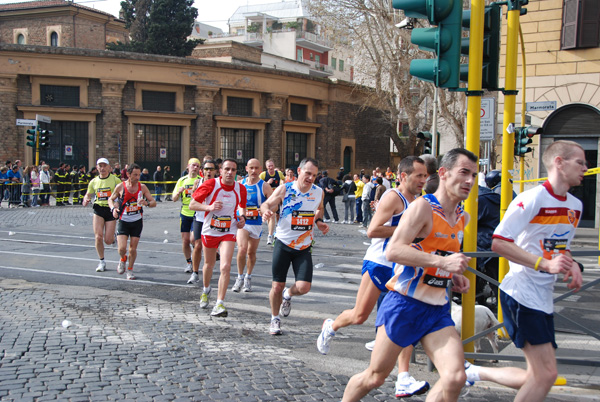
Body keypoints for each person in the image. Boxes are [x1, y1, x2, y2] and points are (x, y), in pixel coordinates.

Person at [341, 148, 477, 402]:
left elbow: (438, 255)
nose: (470, 180)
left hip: (436, 309)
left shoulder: (462, 217)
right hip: (404, 304)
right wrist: (441, 263)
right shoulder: (423, 208)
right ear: (445, 174)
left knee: (455, 377)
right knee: (375, 377)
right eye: (464, 173)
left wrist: (452, 275)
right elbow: (393, 251)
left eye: (474, 175)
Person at [464, 141, 585, 402]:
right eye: (580, 162)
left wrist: (572, 264)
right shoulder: (530, 199)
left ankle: (475, 371)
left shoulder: (575, 206)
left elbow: (560, 247)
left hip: (543, 297)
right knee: (545, 374)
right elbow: (499, 242)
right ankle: (475, 371)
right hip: (520, 294)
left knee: (539, 375)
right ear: (559, 163)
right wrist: (544, 264)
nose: (585, 168)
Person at [318, 157, 430, 398]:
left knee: (403, 319)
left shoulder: (420, 202)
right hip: (379, 262)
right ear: (402, 176)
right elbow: (373, 230)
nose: (423, 180)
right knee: (360, 315)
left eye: (425, 176)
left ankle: (403, 377)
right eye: (419, 175)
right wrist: (408, 231)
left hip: (402, 266)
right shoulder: (393, 197)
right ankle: (332, 325)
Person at [260, 157, 330, 335]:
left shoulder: (318, 191)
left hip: (304, 246)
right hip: (283, 243)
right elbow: (267, 203)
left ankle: (288, 294)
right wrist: (266, 211)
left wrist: (319, 221)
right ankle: (275, 319)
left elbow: (319, 208)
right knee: (276, 285)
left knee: (304, 287)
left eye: (314, 175)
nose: (310, 178)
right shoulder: (286, 188)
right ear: (299, 171)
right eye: (307, 173)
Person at [190, 159, 247, 317]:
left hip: (229, 230)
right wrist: (209, 207)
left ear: (236, 172)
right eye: (227, 169)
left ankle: (219, 303)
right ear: (220, 171)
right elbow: (192, 204)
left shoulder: (240, 188)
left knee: (225, 267)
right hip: (210, 230)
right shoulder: (210, 185)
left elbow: (242, 205)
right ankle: (206, 289)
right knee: (208, 264)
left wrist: (242, 217)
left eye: (233, 170)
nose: (230, 172)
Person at [108, 163, 157, 280]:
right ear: (128, 174)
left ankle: (130, 270)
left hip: (137, 221)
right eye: (135, 175)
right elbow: (111, 199)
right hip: (123, 221)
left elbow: (153, 202)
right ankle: (123, 259)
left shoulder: (143, 187)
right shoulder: (121, 187)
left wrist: (147, 203)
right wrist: (113, 209)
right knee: (121, 248)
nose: (137, 177)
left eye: (139, 175)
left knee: (133, 248)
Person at [232, 158, 273, 293]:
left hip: (256, 223)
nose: (254, 171)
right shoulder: (239, 184)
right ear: (247, 169)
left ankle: (248, 277)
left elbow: (274, 203)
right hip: (243, 223)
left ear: (260, 169)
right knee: (242, 249)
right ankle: (239, 277)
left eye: (256, 168)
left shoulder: (265, 186)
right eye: (251, 168)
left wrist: (267, 210)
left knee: (251, 252)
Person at [83, 158, 122, 272]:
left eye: (105, 166)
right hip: (98, 209)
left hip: (110, 210)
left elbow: (122, 195)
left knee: (108, 240)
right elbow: (88, 194)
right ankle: (102, 261)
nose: (102, 168)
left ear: (110, 168)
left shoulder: (115, 180)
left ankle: (113, 238)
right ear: (97, 168)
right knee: (98, 236)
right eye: (100, 166)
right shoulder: (94, 182)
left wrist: (117, 203)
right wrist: (86, 199)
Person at [187, 159, 217, 285]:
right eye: (206, 169)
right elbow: (193, 200)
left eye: (211, 169)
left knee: (209, 247)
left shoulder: (218, 184)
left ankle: (208, 268)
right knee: (197, 244)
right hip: (199, 217)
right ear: (202, 171)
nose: (208, 171)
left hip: (213, 218)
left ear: (215, 171)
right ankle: (195, 273)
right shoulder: (198, 182)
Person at [173, 158, 202, 274]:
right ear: (188, 166)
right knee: (185, 241)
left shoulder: (201, 180)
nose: (195, 168)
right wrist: (179, 192)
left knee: (193, 240)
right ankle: (189, 263)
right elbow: (174, 198)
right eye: (193, 165)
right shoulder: (182, 180)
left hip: (196, 213)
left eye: (197, 166)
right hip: (185, 212)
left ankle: (195, 261)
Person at [259, 159, 285, 245]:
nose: (270, 167)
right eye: (269, 166)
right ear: (266, 167)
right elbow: (259, 185)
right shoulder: (263, 175)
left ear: (274, 166)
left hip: (277, 199)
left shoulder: (279, 174)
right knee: (271, 216)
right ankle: (270, 236)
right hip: (268, 200)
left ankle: (277, 232)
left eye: (272, 165)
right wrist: (267, 183)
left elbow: (284, 181)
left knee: (278, 216)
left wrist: (282, 184)